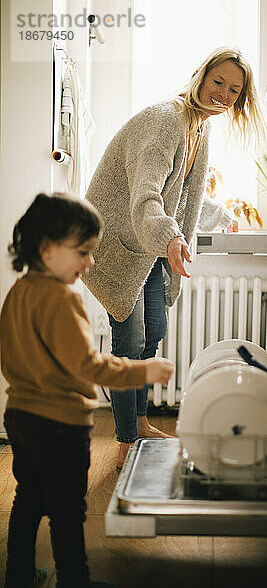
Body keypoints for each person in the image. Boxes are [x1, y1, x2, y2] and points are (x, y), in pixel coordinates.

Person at [82, 46, 267, 468]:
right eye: (218, 81)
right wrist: (170, 239)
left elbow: (184, 195)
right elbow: (147, 195)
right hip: (118, 240)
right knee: (129, 340)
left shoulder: (199, 128)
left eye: (234, 90)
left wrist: (225, 217)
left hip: (145, 243)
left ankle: (140, 422)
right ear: (200, 75)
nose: (223, 93)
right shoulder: (168, 119)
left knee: (154, 331)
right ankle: (127, 439)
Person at [0, 192, 174, 588]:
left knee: (27, 499)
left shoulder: (17, 293)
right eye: (82, 252)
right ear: (47, 249)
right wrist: (142, 370)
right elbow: (90, 365)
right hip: (60, 424)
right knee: (66, 510)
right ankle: (74, 580)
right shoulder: (60, 299)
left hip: (21, 418)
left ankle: (19, 576)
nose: (90, 262)